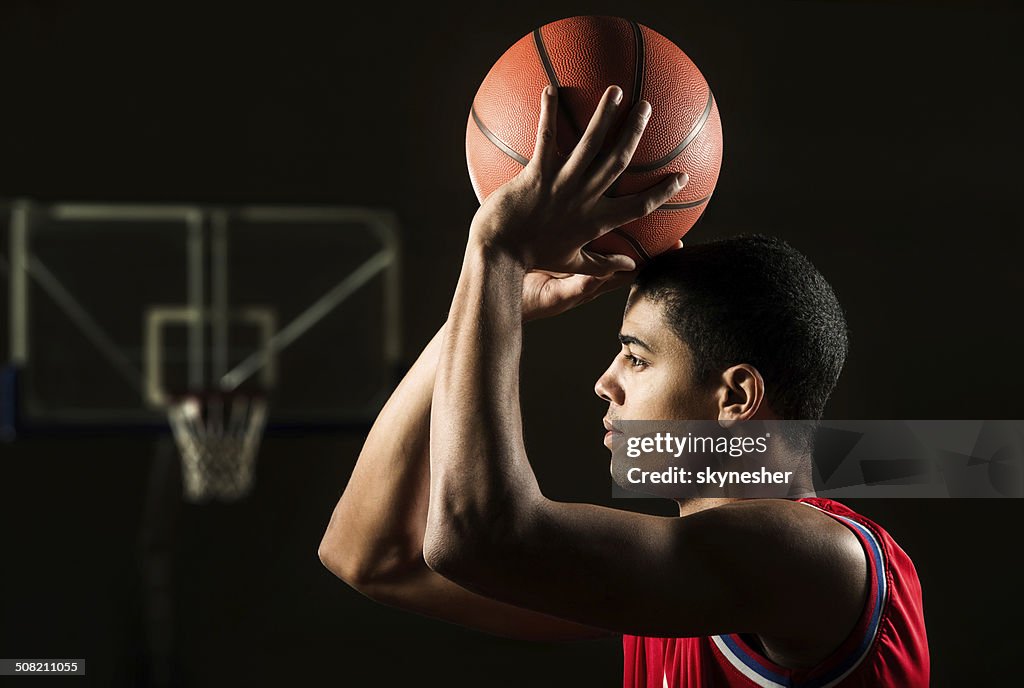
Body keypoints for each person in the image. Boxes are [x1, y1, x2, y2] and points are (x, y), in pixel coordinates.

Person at [318, 85, 929, 687]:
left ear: (735, 398)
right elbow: (369, 557)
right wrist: (483, 311)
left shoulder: (812, 560)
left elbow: (478, 535)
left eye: (636, 358)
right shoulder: (685, 587)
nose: (604, 382)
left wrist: (496, 254)